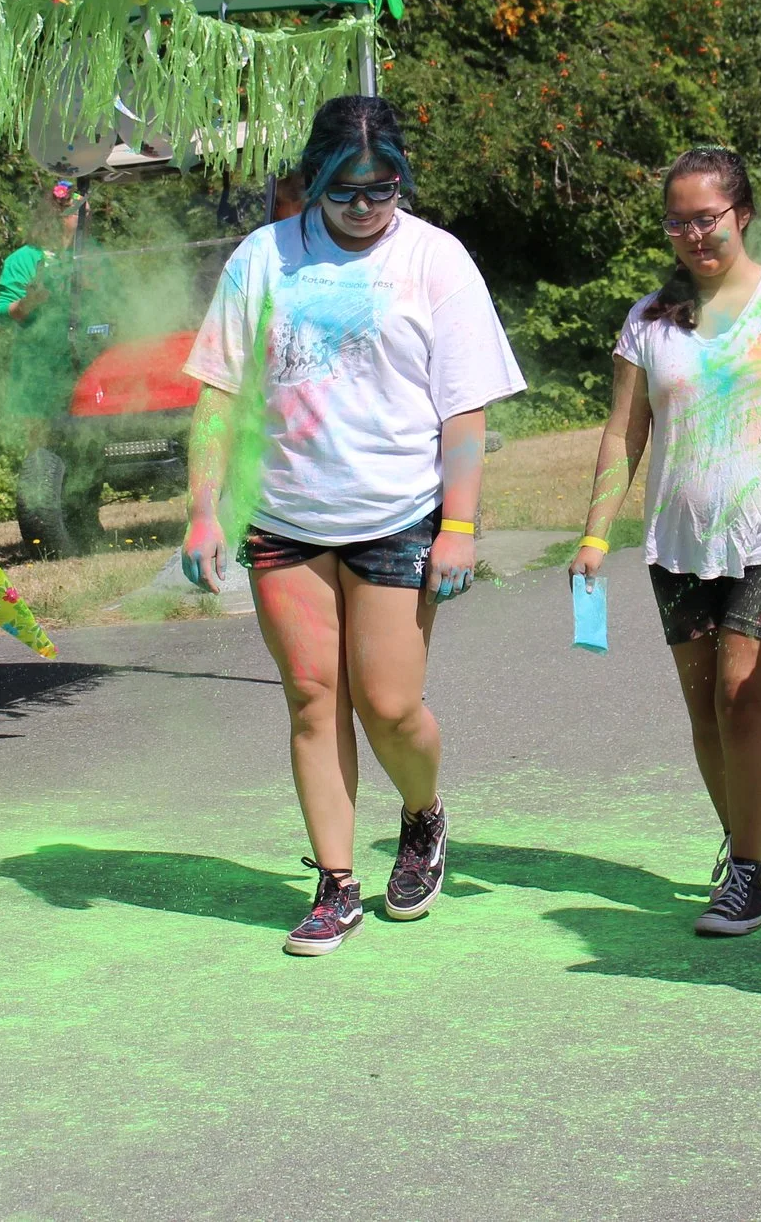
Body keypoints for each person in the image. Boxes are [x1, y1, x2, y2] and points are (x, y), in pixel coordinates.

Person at [179, 95, 525, 956]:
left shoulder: (435, 260)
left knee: (389, 702)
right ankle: (335, 885)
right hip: (286, 520)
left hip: (398, 516)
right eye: (347, 190)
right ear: (314, 180)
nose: (366, 206)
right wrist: (201, 511)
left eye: (384, 187)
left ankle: (422, 814)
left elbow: (465, 411)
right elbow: (218, 393)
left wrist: (462, 524)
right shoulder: (263, 258)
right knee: (312, 699)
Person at [569, 148, 761, 937]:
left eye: (707, 218)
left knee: (743, 697)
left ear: (742, 216)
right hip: (681, 542)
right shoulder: (648, 320)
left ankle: (751, 877)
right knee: (705, 712)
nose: (693, 234)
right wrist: (595, 534)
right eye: (677, 220)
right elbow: (625, 432)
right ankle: (741, 847)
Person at [0, 177, 83, 328]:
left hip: (92, 348)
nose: (87, 219)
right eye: (80, 212)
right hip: (40, 348)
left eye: (88, 212)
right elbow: (1, 316)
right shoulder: (24, 258)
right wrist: (28, 303)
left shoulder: (94, 255)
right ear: (58, 216)